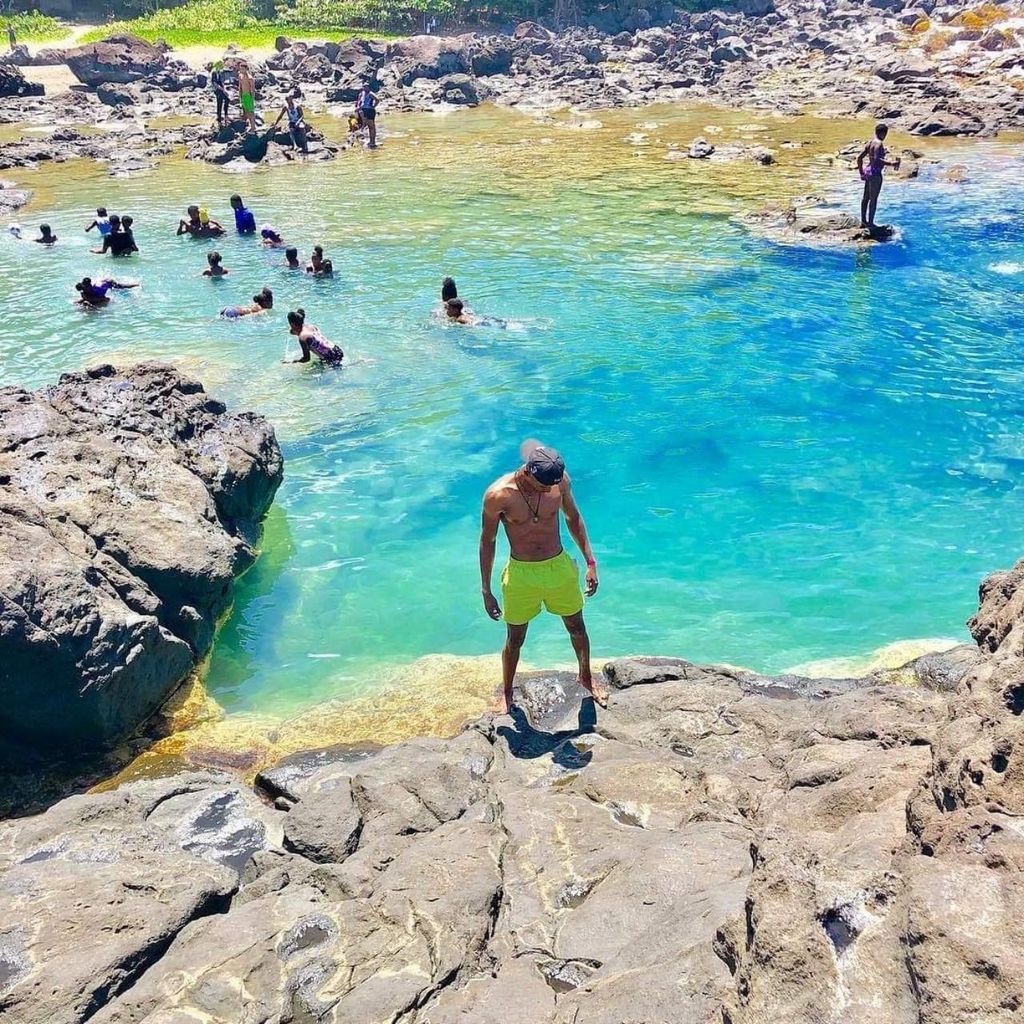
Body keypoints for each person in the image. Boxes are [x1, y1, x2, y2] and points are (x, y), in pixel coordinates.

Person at [479, 442, 603, 714]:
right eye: (543, 485)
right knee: (515, 638)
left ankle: (586, 677)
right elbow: (488, 541)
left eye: (553, 484)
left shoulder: (559, 482)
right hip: (521, 575)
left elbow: (573, 518)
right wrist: (486, 590)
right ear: (528, 471)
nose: (549, 490)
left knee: (577, 627)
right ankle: (507, 692)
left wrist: (591, 562)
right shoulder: (498, 495)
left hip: (558, 568)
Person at [856, 123, 901, 230]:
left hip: (868, 172)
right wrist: (891, 163)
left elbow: (859, 158)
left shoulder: (870, 143)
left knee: (865, 198)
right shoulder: (879, 143)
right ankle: (871, 223)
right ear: (883, 133)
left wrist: (861, 173)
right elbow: (876, 159)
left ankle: (863, 221)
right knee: (873, 199)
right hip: (875, 174)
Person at [355, 80, 378, 149]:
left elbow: (377, 100)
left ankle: (373, 142)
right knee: (369, 126)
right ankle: (371, 141)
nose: (365, 88)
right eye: (364, 87)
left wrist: (373, 106)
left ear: (368, 87)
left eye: (366, 87)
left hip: (370, 110)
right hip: (365, 110)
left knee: (371, 127)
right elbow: (360, 102)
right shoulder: (362, 93)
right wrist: (358, 108)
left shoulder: (371, 94)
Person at [237, 61, 257, 134]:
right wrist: (239, 96)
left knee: (251, 112)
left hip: (248, 95)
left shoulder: (250, 78)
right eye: (240, 69)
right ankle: (248, 126)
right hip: (243, 95)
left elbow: (252, 89)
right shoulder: (240, 76)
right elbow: (240, 86)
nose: (241, 70)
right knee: (245, 111)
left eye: (243, 69)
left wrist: (252, 99)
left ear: (246, 69)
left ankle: (253, 127)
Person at [211, 60, 230, 126]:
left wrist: (224, 89)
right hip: (217, 90)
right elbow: (215, 83)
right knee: (219, 104)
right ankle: (219, 119)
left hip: (221, 89)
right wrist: (222, 90)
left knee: (227, 100)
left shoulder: (219, 72)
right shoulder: (214, 73)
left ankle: (225, 115)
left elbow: (221, 82)